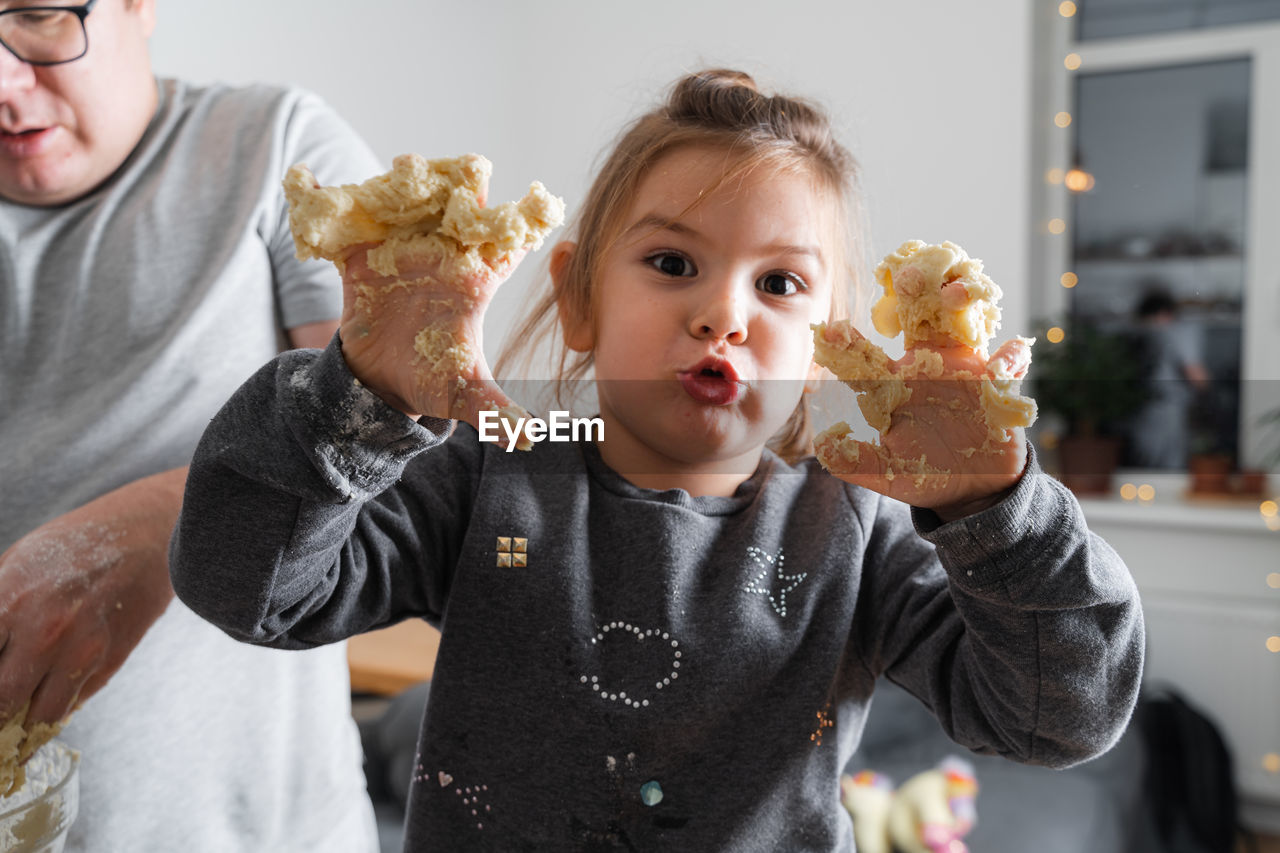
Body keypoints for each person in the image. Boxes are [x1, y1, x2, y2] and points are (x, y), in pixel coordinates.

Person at [170, 69, 1145, 850]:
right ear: (580, 299)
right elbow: (251, 588)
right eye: (673, 263)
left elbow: (1055, 717)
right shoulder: (496, 471)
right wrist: (355, 397)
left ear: (828, 348)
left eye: (778, 282)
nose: (723, 312)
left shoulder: (852, 525)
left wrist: (995, 507)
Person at [0, 0, 381, 849]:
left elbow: (418, 459)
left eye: (36, 16)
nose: (3, 80)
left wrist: (173, 524)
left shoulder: (277, 148)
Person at [1126, 287, 1211, 468]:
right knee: (1169, 468)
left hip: (1140, 409)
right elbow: (1198, 377)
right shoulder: (1177, 334)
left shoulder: (1136, 335)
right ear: (1165, 313)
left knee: (1145, 464)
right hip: (1168, 407)